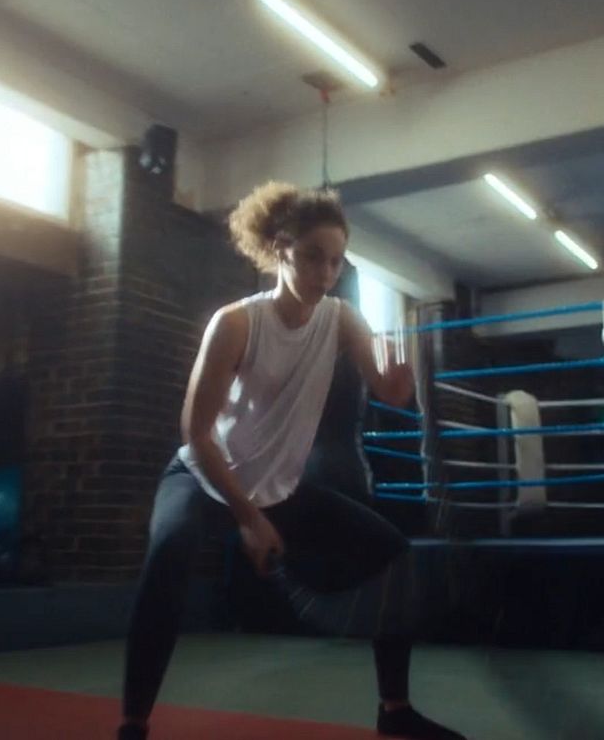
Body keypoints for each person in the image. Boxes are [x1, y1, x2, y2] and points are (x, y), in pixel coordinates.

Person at [118, 182, 464, 740]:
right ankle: (133, 723)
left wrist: (398, 389)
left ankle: (394, 710)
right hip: (205, 478)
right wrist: (248, 516)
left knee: (394, 553)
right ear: (281, 249)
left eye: (335, 262)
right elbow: (197, 434)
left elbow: (385, 386)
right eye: (312, 257)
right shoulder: (235, 323)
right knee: (169, 556)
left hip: (278, 489)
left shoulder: (342, 319)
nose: (325, 273)